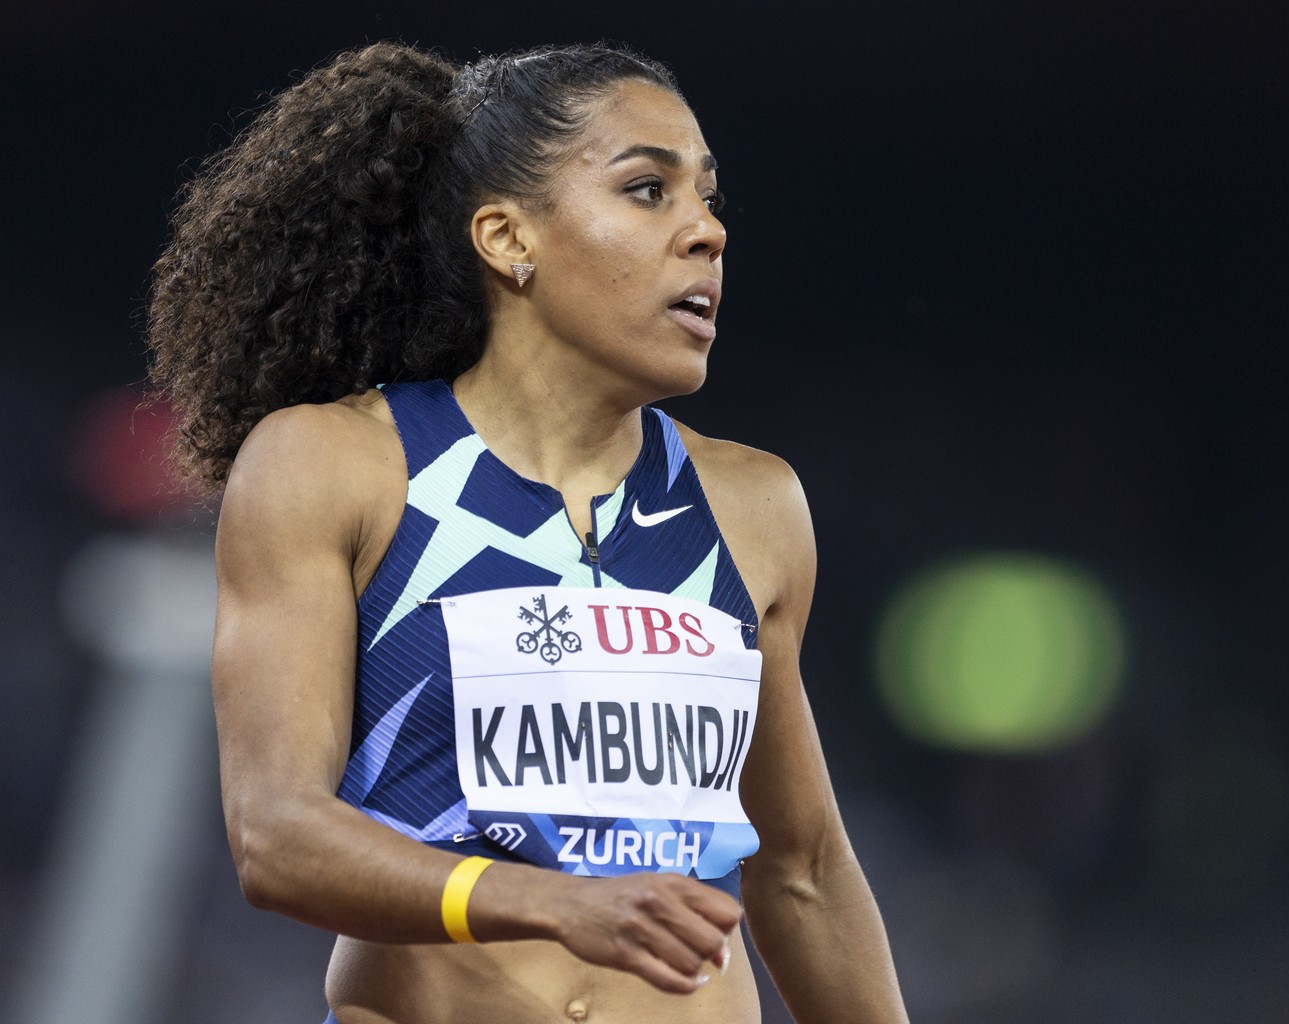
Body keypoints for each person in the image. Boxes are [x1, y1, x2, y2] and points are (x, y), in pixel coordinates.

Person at [147, 41, 909, 1024]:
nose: (707, 233)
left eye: (709, 200)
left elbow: (803, 873)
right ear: (508, 238)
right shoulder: (337, 465)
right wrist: (548, 903)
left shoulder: (753, 506)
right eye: (649, 190)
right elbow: (278, 833)